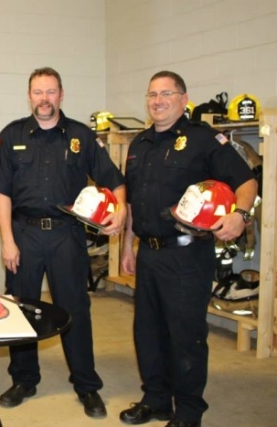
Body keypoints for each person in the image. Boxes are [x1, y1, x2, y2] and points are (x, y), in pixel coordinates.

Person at [0, 67, 126, 418]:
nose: (44, 99)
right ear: (29, 96)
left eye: (50, 92)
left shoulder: (81, 136)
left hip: (66, 234)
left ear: (61, 94)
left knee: (75, 310)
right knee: (23, 310)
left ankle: (86, 385)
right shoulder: (11, 134)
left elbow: (112, 179)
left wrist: (119, 209)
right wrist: (7, 242)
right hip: (24, 234)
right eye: (37, 92)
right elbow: (1, 193)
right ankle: (25, 379)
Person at [119, 71, 257, 427]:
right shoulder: (139, 144)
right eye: (152, 94)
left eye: (167, 93)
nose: (158, 100)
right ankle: (156, 399)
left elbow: (246, 181)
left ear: (183, 99)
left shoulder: (204, 140)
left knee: (186, 335)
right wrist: (127, 247)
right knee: (147, 332)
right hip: (148, 252)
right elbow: (134, 203)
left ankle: (190, 411)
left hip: (187, 254)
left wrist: (240, 214)